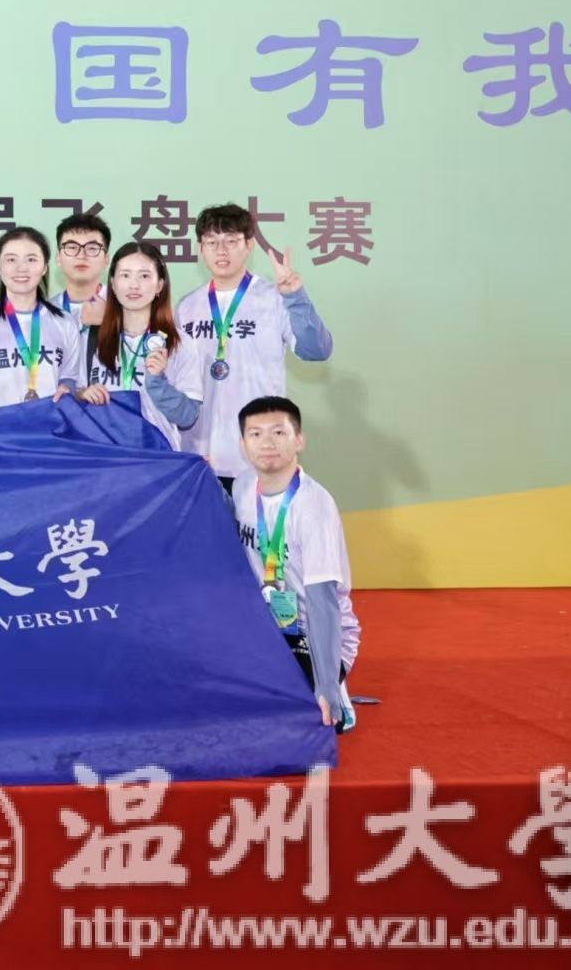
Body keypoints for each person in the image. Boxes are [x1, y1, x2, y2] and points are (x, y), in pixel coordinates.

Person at [175, 203, 334, 490]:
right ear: (200, 249)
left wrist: (296, 298)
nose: (221, 251)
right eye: (212, 242)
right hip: (200, 455)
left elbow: (316, 350)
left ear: (249, 245)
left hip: (259, 456)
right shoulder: (187, 306)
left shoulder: (274, 297)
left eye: (231, 241)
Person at [232, 396, 359, 733]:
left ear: (299, 440)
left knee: (300, 722)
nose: (267, 443)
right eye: (255, 434)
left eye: (279, 432)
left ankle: (333, 683)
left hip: (308, 629)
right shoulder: (243, 486)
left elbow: (323, 604)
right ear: (242, 444)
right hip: (262, 624)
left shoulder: (314, 508)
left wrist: (326, 685)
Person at [75, 242, 203, 451]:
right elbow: (72, 394)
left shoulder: (179, 342)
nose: (133, 285)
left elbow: (187, 417)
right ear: (113, 284)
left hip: (156, 457)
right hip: (104, 455)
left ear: (159, 285)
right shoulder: (91, 339)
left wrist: (158, 382)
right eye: (125, 275)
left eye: (144, 276)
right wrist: (82, 394)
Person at [0, 227, 84, 410]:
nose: (21, 268)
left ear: (45, 267)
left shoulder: (64, 322)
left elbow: (69, 377)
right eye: (11, 259)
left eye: (31, 259)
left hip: (46, 424)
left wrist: (67, 388)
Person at [53, 211, 111, 326]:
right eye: (72, 247)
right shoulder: (47, 311)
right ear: (58, 258)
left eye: (92, 248)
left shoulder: (122, 306)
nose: (81, 255)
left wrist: (108, 322)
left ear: (106, 260)